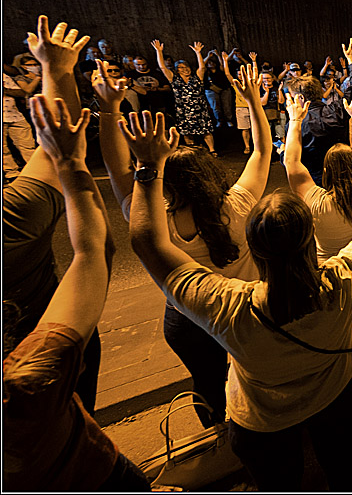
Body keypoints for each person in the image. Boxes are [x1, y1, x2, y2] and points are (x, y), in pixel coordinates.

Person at [122, 102, 352, 491]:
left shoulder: (228, 306)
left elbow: (146, 241)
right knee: (339, 457)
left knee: (279, 479)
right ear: (308, 241)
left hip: (265, 421)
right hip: (333, 395)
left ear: (254, 246)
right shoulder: (343, 277)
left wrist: (148, 167)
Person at [95, 62, 273, 427]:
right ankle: (256, 426)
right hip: (242, 309)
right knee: (253, 372)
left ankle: (217, 433)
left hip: (187, 319)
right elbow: (261, 151)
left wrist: (110, 109)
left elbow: (117, 170)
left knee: (206, 382)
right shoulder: (236, 206)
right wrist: (254, 102)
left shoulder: (151, 218)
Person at [4, 94, 149, 490]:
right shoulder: (30, 376)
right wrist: (72, 163)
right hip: (97, 472)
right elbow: (92, 253)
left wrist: (112, 116)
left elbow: (123, 182)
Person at [3, 16, 103, 415]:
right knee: (76, 423)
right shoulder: (14, 218)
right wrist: (57, 70)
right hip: (54, 348)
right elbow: (94, 252)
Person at [283, 92, 352, 385]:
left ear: (325, 171)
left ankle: (344, 370)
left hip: (329, 271)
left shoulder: (316, 201)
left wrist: (294, 121)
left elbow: (291, 162)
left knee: (338, 321)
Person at [294, 39, 352, 185]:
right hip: (344, 177)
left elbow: (291, 159)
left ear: (300, 97)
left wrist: (281, 152)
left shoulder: (296, 125)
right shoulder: (335, 111)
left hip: (315, 182)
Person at [152, 39, 216, 155]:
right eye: (181, 67)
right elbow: (163, 67)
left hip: (199, 109)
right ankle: (192, 151)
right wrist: (159, 52)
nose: (185, 69)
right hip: (183, 110)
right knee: (187, 132)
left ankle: (212, 150)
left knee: (206, 131)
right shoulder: (174, 80)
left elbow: (202, 68)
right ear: (177, 70)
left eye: (186, 67)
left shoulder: (196, 78)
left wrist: (198, 53)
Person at [3, 61, 38, 182]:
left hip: (14, 114)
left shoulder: (4, 76)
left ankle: (35, 170)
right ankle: (11, 173)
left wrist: (5, 90)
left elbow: (21, 92)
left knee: (27, 144)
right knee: (3, 149)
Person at [204, 54, 235, 129]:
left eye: (213, 62)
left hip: (224, 89)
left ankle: (228, 120)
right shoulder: (206, 72)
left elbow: (222, 64)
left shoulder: (220, 70)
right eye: (209, 63)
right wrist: (208, 56)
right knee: (215, 107)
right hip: (211, 90)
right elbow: (201, 64)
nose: (211, 64)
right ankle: (219, 120)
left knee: (227, 105)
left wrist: (217, 54)